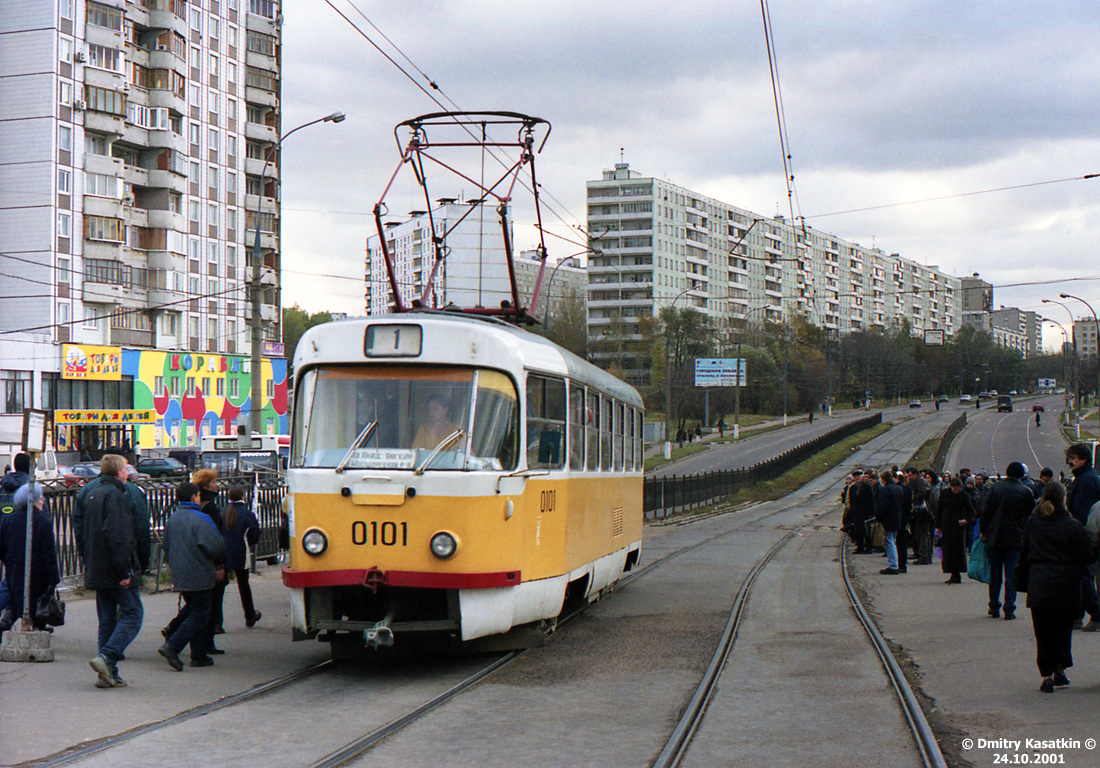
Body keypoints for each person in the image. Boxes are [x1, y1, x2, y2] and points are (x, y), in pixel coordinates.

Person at [1018, 481, 1092, 693]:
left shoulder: (1034, 522)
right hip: (1066, 583)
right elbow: (1086, 556)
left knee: (1043, 631)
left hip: (1040, 581)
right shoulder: (1072, 525)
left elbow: (1024, 553)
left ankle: (1046, 675)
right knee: (1063, 630)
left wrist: (1022, 582)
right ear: (1063, 498)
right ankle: (1060, 670)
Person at [82, 454, 143, 688]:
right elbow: (118, 536)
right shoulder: (117, 495)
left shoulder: (93, 493)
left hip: (97, 566)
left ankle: (107, 673)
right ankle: (107, 657)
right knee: (133, 614)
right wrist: (125, 570)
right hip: (114, 568)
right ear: (118, 472)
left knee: (107, 619)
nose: (129, 472)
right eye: (126, 468)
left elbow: (83, 532)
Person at [158, 482, 226, 671]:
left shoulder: (173, 519)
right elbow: (215, 545)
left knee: (195, 608)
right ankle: (172, 645)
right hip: (199, 571)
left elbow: (166, 546)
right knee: (201, 613)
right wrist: (219, 565)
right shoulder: (201, 518)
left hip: (180, 572)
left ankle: (198, 654)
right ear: (194, 497)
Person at [0, 484, 61, 635]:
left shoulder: (8, 520)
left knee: (15, 602)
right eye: (40, 497)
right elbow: (49, 553)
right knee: (37, 606)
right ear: (32, 500)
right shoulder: (42, 522)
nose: (43, 501)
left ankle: (4, 624)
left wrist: (10, 563)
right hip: (38, 573)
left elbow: (2, 548)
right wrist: (54, 577)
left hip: (14, 570)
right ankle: (37, 636)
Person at [980, 462, 1035, 620]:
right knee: (1011, 576)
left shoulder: (995, 488)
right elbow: (1030, 517)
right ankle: (1009, 608)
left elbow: (985, 511)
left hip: (994, 538)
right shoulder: (1026, 491)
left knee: (995, 574)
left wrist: (984, 531)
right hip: (1015, 540)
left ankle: (993, 606)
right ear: (1021, 475)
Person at [1065, 443, 1100, 631]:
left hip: (1082, 536)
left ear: (1083, 460)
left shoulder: (1086, 480)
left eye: (1074, 458)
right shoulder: (1087, 477)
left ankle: (1095, 615)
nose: (1071, 462)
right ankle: (1077, 616)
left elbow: (1081, 511)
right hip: (1084, 534)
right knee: (1079, 577)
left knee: (1083, 577)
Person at [191, 469, 228, 649]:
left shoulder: (198, 503)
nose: (217, 485)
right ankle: (207, 641)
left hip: (197, 559)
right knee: (211, 601)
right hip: (211, 562)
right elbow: (216, 537)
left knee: (198, 602)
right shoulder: (210, 507)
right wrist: (220, 565)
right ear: (207, 485)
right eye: (214, 482)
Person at [224, 485, 262, 628]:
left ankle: (217, 623)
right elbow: (254, 534)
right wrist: (250, 544)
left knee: (219, 587)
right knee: (244, 585)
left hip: (223, 552)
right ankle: (249, 615)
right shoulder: (247, 514)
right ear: (243, 497)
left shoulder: (223, 512)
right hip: (241, 551)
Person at [936, 476, 974, 584]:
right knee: (948, 551)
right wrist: (938, 526)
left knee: (957, 552)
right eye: (955, 489)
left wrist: (966, 520)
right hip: (946, 526)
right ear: (951, 486)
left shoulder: (964, 496)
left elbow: (971, 512)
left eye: (958, 489)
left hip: (958, 527)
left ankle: (956, 574)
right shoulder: (944, 494)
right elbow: (939, 509)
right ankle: (952, 573)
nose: (957, 491)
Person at [875, 469, 906, 575]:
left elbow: (882, 506)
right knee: (893, 540)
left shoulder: (885, 490)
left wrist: (878, 517)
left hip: (888, 518)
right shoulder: (898, 488)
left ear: (883, 480)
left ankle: (892, 565)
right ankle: (894, 563)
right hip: (897, 517)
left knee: (889, 541)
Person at [906, 467, 933, 566]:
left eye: (910, 475)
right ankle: (922, 554)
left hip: (922, 512)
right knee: (920, 534)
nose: (909, 477)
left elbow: (923, 493)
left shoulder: (921, 482)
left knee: (923, 534)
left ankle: (924, 556)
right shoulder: (915, 482)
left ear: (915, 474)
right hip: (919, 512)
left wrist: (912, 498)